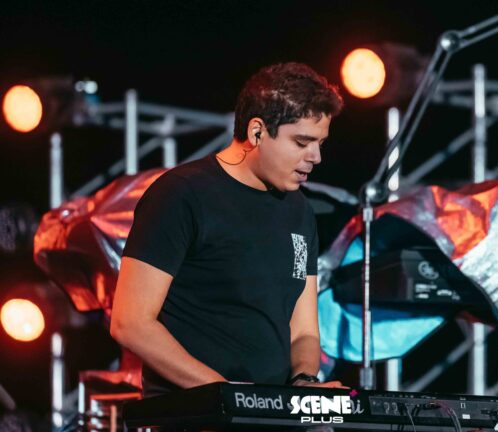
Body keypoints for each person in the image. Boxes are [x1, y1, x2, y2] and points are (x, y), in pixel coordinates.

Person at [110, 62, 344, 397]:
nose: (316, 156)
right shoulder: (181, 194)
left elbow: (304, 330)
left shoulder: (300, 210)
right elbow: (131, 323)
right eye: (302, 142)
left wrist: (304, 383)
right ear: (257, 132)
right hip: (193, 413)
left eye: (320, 143)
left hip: (268, 414)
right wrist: (226, 394)